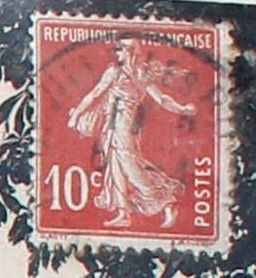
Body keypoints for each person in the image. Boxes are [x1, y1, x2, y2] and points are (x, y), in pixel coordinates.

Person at [65, 37, 196, 229]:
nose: (117, 53)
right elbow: (94, 94)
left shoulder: (140, 75)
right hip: (111, 126)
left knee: (132, 167)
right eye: (117, 50)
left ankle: (166, 201)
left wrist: (182, 109)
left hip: (125, 127)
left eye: (120, 50)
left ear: (131, 52)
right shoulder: (114, 72)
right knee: (115, 167)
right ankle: (123, 212)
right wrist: (76, 114)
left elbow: (161, 99)